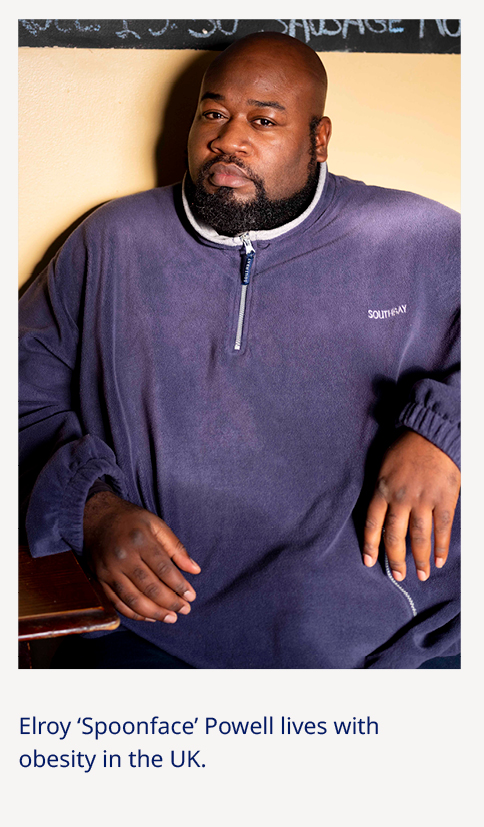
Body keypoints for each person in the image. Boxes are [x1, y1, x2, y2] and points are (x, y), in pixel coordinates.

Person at [19, 32, 460, 669]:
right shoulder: (112, 240)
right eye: (214, 113)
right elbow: (21, 397)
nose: (228, 139)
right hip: (156, 626)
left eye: (264, 120)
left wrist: (444, 434)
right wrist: (93, 509)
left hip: (390, 641)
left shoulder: (421, 237)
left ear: (318, 139)